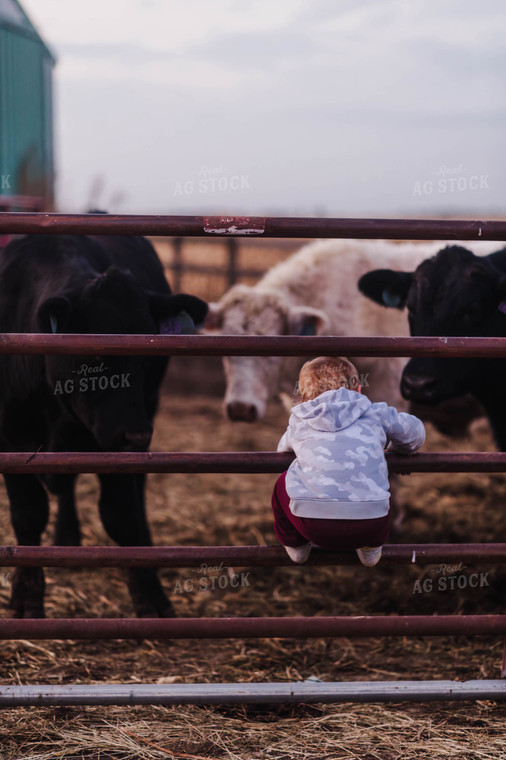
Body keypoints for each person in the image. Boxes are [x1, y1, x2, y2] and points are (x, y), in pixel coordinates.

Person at [272, 356, 425, 566]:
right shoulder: (376, 412)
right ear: (359, 389)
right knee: (376, 481)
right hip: (371, 523)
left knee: (283, 480)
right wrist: (397, 449)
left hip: (312, 525)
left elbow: (282, 452)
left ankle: (296, 545)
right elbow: (415, 433)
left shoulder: (300, 419)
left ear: (303, 397)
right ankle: (371, 548)